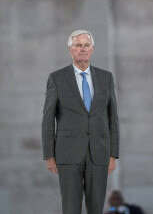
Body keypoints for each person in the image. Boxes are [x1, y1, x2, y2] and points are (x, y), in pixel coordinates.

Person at [42, 30, 119, 214]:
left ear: (92, 50)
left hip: (99, 153)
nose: (82, 49)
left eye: (86, 45)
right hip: (67, 154)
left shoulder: (106, 77)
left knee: (96, 208)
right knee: (70, 208)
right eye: (78, 45)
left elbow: (112, 118)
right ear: (70, 50)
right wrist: (49, 155)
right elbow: (47, 119)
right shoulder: (57, 78)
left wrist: (113, 154)